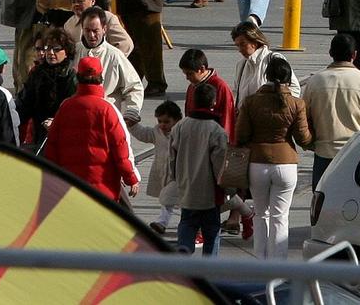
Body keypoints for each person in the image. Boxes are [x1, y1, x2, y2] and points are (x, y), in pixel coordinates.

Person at [236, 57, 311, 258]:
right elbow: (303, 138)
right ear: (288, 78)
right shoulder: (296, 104)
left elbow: (241, 134)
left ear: (267, 76)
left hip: (257, 163)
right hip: (286, 164)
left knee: (260, 215)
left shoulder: (251, 101)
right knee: (280, 217)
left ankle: (261, 261)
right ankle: (279, 263)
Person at [41, 57, 140, 203]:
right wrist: (131, 178)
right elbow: (121, 149)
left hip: (70, 189)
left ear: (77, 77)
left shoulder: (65, 107)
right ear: (101, 77)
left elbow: (52, 147)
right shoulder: (108, 109)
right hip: (103, 190)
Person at [300, 35, 360, 188]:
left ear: (330, 52)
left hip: (323, 153)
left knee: (322, 202)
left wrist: (309, 144)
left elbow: (303, 119)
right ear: (354, 54)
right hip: (356, 154)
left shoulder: (315, 82)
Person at [172, 83, 234, 253]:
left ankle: (184, 247)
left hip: (186, 186)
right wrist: (228, 188)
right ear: (213, 103)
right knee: (212, 230)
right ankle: (209, 267)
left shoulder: (180, 126)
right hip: (209, 192)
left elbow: (172, 157)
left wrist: (173, 179)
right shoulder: (217, 131)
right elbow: (219, 165)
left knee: (187, 222)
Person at [16, 28, 79, 152]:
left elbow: (75, 111)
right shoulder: (37, 73)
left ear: (66, 52)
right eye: (48, 48)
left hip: (64, 135)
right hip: (39, 133)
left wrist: (57, 121)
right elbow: (25, 103)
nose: (50, 53)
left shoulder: (71, 76)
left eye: (56, 49)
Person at [132, 98, 185, 239]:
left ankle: (173, 223)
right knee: (166, 200)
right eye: (160, 121)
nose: (162, 125)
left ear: (178, 120)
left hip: (179, 174)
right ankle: (163, 222)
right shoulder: (157, 132)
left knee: (180, 201)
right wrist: (133, 126)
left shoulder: (183, 133)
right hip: (163, 172)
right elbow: (144, 134)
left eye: (166, 122)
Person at [58, 0, 136, 57]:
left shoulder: (107, 17)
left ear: (92, 1)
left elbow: (126, 44)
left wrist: (109, 62)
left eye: (80, 1)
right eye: (73, 2)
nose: (76, 5)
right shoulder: (69, 24)